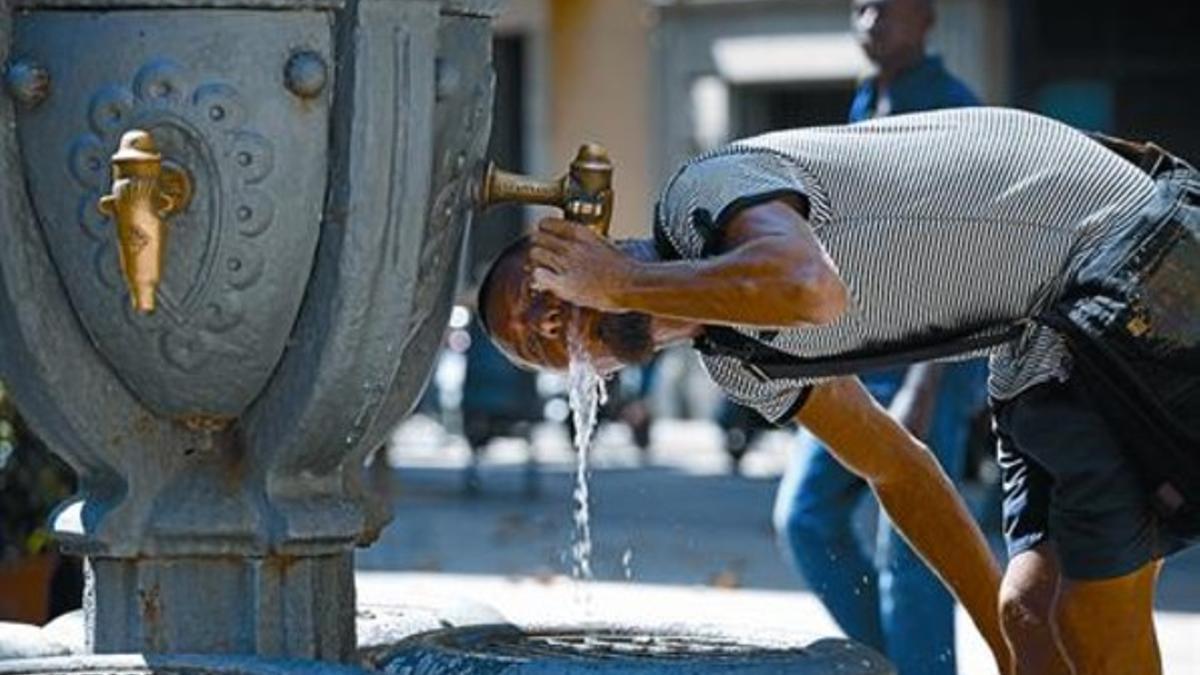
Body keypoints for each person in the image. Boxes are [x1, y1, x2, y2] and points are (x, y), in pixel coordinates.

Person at [476, 106, 1199, 674]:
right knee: (1025, 620)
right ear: (590, 378)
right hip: (1040, 335)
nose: (542, 321)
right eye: (532, 345)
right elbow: (895, 466)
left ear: (589, 245)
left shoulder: (701, 198)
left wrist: (620, 283)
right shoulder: (738, 362)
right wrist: (1010, 659)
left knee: (1092, 622)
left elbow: (808, 287)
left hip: (1122, 252)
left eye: (540, 286)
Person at [771, 1, 985, 672]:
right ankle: (894, 663)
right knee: (803, 517)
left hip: (929, 365)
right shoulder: (866, 101)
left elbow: (965, 259)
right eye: (860, 6)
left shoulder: (953, 111)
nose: (871, 20)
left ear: (926, 16)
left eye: (887, 8)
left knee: (912, 551)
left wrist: (925, 384)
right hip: (858, 356)